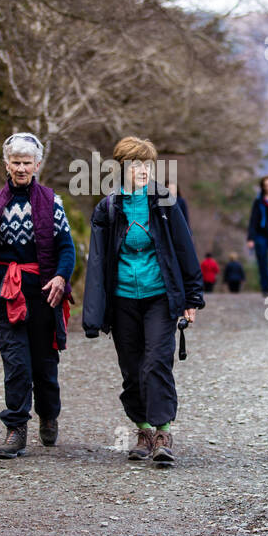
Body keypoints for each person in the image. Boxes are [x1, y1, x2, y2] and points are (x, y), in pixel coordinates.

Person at [82, 137, 203, 467]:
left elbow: (184, 249)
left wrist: (191, 297)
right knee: (132, 368)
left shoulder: (164, 203)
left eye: (147, 165)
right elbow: (97, 264)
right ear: (121, 168)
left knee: (157, 361)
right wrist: (93, 313)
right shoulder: (108, 208)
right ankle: (143, 430)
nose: (143, 171)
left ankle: (163, 432)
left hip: (159, 297)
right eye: (135, 165)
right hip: (122, 299)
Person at [0, 133, 75, 459]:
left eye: (27, 162)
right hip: (4, 295)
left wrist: (60, 276)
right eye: (16, 162)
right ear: (6, 164)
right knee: (16, 364)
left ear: (37, 165)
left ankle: (49, 413)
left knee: (44, 367)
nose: (21, 168)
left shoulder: (52, 202)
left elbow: (67, 249)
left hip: (43, 296)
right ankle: (15, 429)